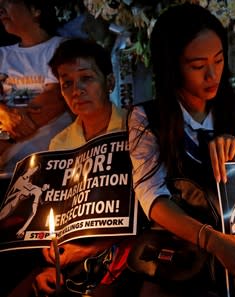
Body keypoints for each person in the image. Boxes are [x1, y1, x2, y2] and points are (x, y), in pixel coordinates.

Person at [128, 3, 235, 296]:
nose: (211, 75)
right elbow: (152, 199)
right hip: (178, 259)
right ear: (172, 66)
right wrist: (213, 242)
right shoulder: (148, 119)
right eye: (197, 65)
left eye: (218, 61)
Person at [9, 38, 138, 297]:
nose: (76, 90)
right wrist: (53, 259)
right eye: (67, 83)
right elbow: (58, 213)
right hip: (73, 258)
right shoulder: (61, 142)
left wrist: (89, 250)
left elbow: (142, 216)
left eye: (86, 78)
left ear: (110, 82)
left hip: (125, 253)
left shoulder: (134, 130)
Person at [0, 0, 72, 177]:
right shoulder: (3, 54)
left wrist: (5, 139)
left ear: (35, 10)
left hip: (46, 163)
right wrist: (3, 112)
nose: (1, 8)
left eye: (7, 2)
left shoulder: (61, 48)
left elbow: (51, 103)